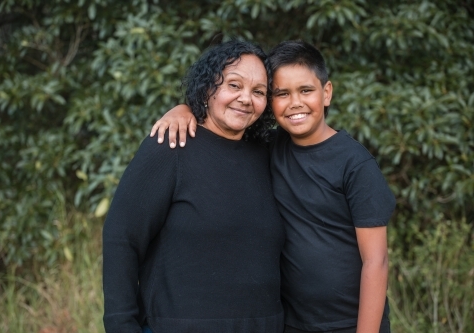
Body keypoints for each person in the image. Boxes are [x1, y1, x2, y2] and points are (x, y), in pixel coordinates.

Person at [150, 40, 396, 333]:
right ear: (269, 101)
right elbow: (221, 127)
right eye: (281, 93)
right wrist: (183, 109)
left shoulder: (355, 164)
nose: (295, 103)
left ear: (326, 93)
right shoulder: (268, 147)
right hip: (290, 322)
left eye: (306, 90)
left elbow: (376, 261)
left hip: (347, 323)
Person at [102, 40, 285, 333]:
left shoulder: (270, 154)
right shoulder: (171, 146)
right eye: (234, 85)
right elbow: (121, 238)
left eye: (259, 92)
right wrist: (121, 326)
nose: (246, 98)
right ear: (208, 86)